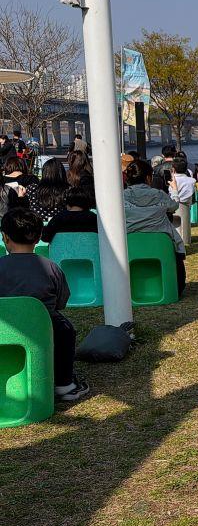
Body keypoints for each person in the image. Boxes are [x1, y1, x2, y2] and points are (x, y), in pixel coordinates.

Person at [0, 208, 90, 403]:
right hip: (43, 327)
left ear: (5, 237)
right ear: (39, 236)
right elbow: (61, 301)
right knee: (65, 330)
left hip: (3, 328)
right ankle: (64, 383)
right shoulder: (50, 267)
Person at [123, 159, 186, 296]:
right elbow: (174, 206)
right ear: (148, 177)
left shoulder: (120, 197)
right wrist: (174, 190)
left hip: (131, 243)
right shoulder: (159, 195)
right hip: (161, 242)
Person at [28, 157, 69, 223]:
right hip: (60, 226)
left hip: (37, 226)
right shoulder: (67, 191)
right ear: (61, 173)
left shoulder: (32, 189)